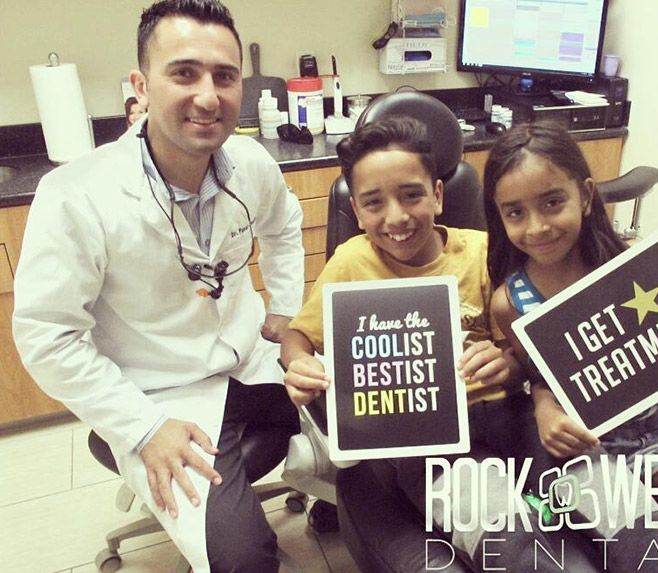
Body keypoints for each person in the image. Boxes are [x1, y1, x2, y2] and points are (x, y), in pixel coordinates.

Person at [12, 1, 305, 572]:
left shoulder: (251, 163)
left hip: (254, 362)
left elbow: (284, 226)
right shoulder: (75, 196)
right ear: (141, 86)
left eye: (224, 75)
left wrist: (287, 311)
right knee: (241, 560)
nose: (208, 95)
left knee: (374, 423)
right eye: (184, 73)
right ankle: (198, 479)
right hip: (160, 394)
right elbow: (48, 339)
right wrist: (142, 429)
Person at [281, 116, 578, 571]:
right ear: (356, 213)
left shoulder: (481, 251)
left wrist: (507, 362)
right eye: (374, 203)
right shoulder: (351, 262)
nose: (396, 217)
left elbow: (521, 351)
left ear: (438, 195)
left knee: (607, 499)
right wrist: (299, 362)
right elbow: (297, 337)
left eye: (412, 195)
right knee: (506, 534)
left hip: (508, 417)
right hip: (423, 443)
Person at [484, 120, 658, 572]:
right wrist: (545, 408)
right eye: (515, 212)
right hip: (626, 452)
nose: (536, 227)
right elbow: (540, 374)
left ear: (586, 194)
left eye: (552, 202)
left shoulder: (637, 260)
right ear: (498, 215)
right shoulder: (511, 302)